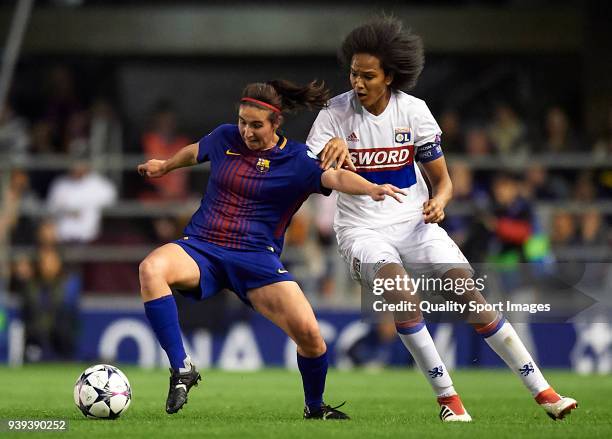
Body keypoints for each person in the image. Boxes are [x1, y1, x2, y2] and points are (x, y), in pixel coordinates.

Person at [307, 17, 577, 422]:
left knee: (467, 293)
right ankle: (449, 401)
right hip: (361, 229)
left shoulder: (414, 112)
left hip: (415, 223)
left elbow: (443, 182)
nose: (357, 83)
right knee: (401, 291)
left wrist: (441, 202)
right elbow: (315, 175)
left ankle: (545, 392)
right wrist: (330, 155)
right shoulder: (334, 114)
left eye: (367, 76)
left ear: (390, 76)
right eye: (353, 74)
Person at [137, 79, 404, 418]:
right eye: (242, 122)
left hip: (256, 259)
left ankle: (314, 407)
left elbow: (335, 178)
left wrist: (371, 188)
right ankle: (182, 369)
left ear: (276, 123)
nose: (247, 131)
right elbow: (196, 150)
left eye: (256, 125)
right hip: (202, 247)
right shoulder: (225, 137)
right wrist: (166, 165)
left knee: (311, 338)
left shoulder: (296, 159)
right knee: (151, 269)